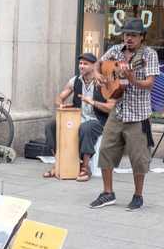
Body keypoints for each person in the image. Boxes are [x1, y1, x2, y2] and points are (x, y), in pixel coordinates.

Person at [89, 17, 160, 211]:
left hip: (139, 114)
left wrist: (132, 78)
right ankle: (107, 193)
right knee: (105, 150)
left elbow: (149, 84)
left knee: (139, 157)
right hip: (118, 110)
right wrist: (97, 74)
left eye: (133, 35)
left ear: (142, 37)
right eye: (127, 34)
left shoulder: (149, 55)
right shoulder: (115, 51)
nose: (129, 38)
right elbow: (98, 64)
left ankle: (138, 196)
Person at [42, 52, 115, 181]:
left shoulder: (103, 82)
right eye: (80, 63)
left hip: (98, 120)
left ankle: (85, 168)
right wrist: (62, 106)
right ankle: (59, 163)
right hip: (77, 118)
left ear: (94, 66)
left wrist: (93, 102)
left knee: (86, 128)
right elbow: (60, 98)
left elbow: (110, 108)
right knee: (51, 126)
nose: (81, 66)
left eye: (85, 64)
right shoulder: (75, 80)